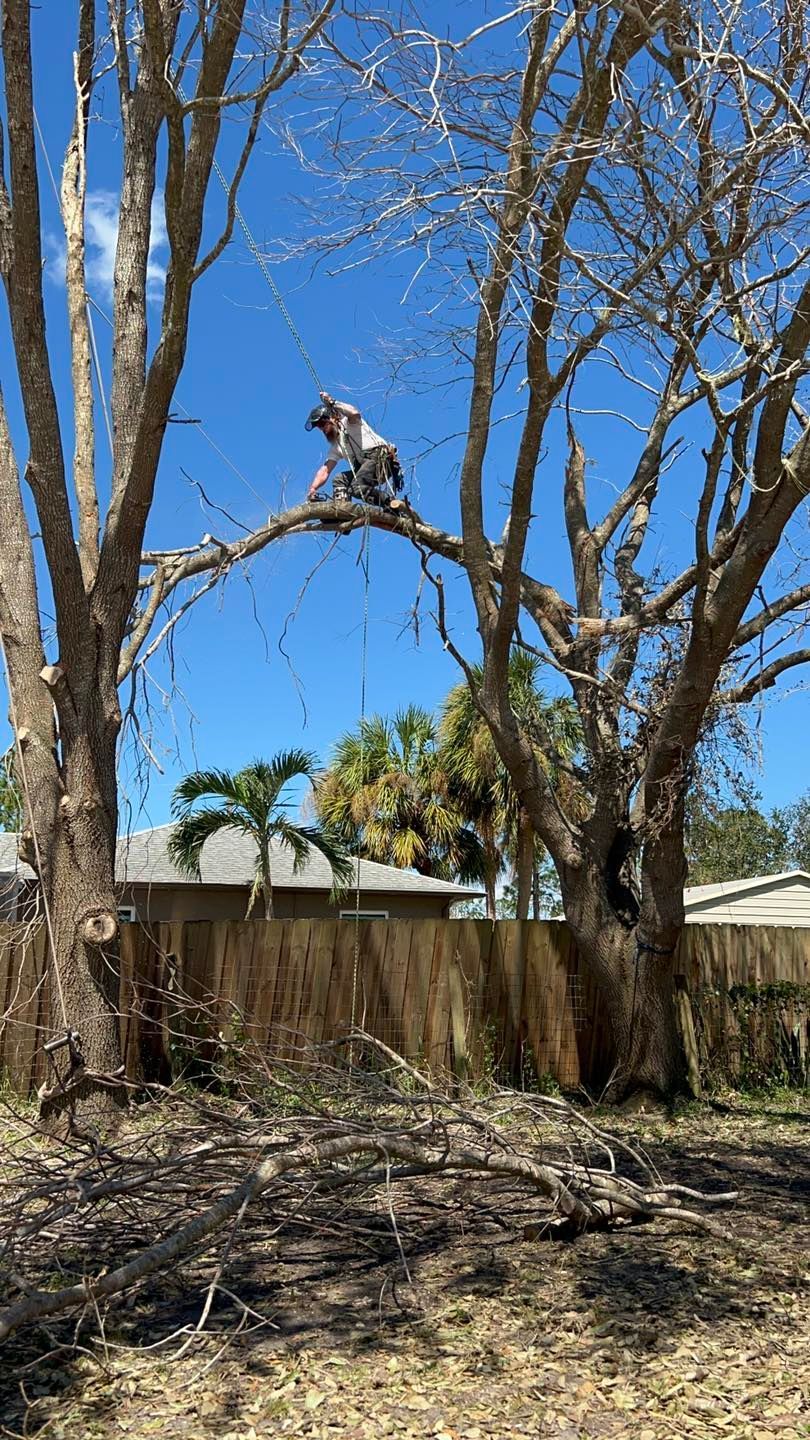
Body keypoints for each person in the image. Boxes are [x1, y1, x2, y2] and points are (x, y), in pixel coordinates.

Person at [305, 392, 404, 508]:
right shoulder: (336, 446)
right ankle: (342, 509)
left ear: (332, 417)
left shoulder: (350, 423)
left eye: (322, 423)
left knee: (357, 488)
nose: (322, 428)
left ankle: (390, 503)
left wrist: (333, 402)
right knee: (339, 480)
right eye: (319, 426)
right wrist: (313, 488)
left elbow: (354, 412)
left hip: (379, 459)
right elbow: (325, 470)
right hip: (366, 469)